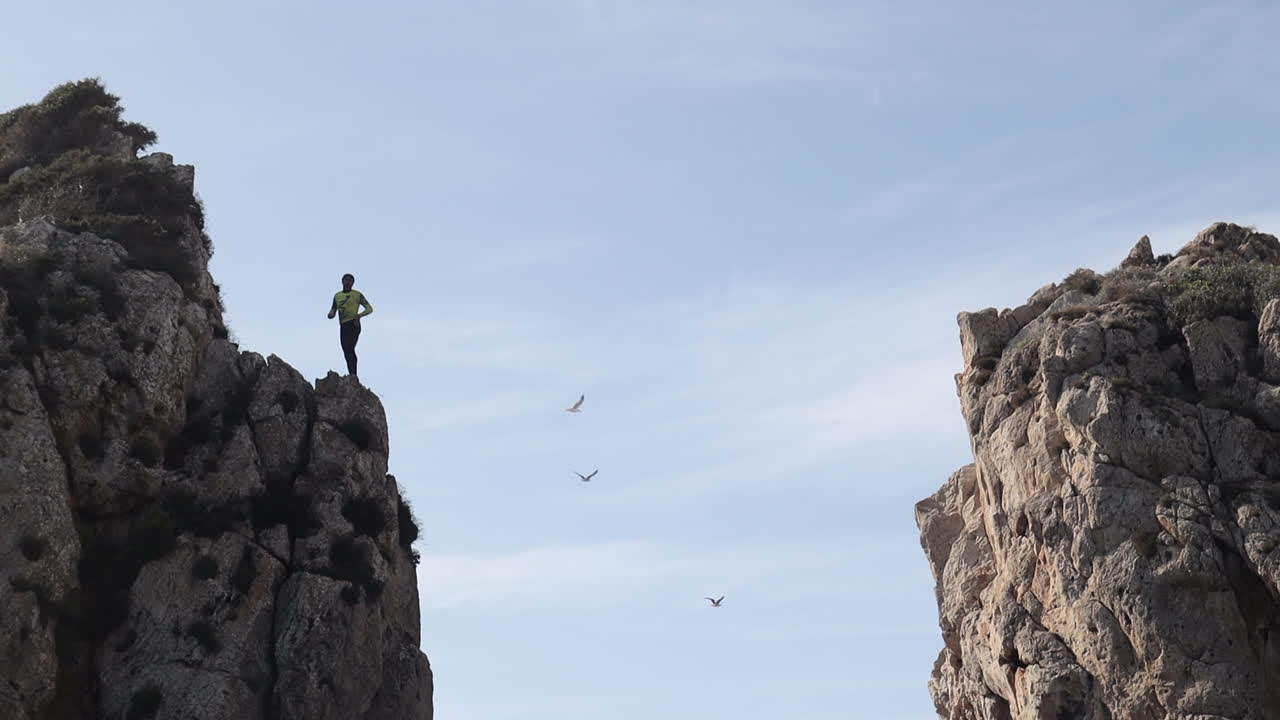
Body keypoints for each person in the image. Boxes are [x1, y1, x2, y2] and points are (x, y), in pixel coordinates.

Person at [327, 273, 373, 377]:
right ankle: (351, 374)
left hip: (354, 323)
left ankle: (353, 375)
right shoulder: (337, 296)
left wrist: (359, 316)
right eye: (346, 280)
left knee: (350, 348)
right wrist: (330, 314)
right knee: (346, 350)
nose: (348, 282)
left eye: (350, 280)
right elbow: (333, 310)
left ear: (353, 283)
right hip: (343, 326)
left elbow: (369, 309)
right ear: (342, 281)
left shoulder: (357, 294)